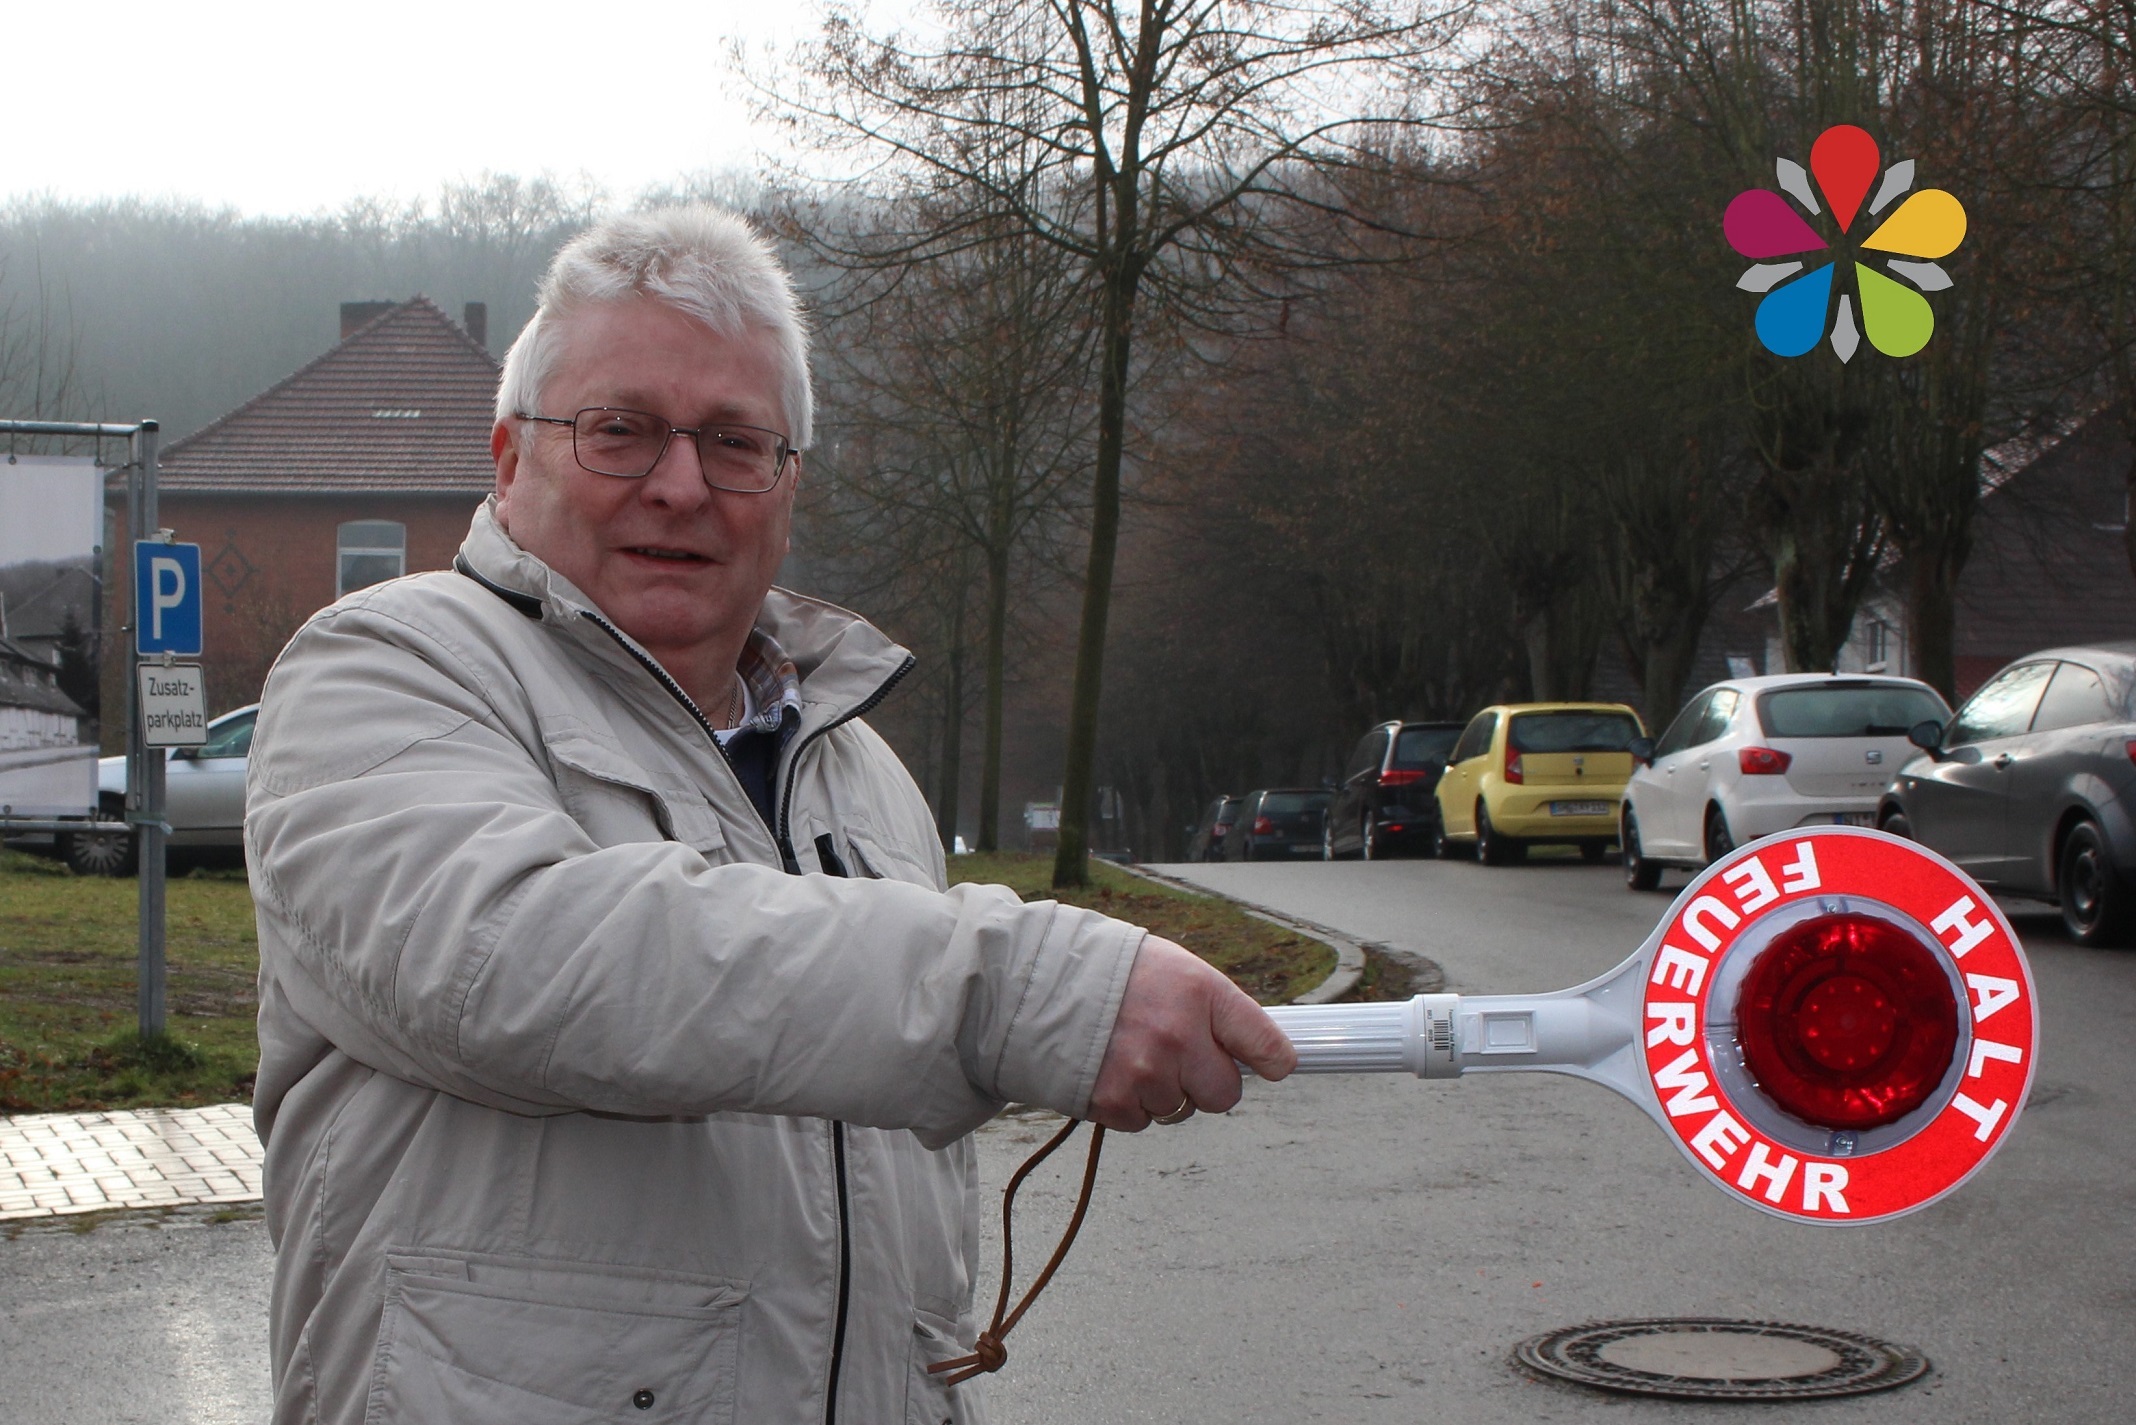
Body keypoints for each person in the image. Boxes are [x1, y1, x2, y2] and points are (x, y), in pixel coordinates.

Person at [246, 205, 1296, 1425]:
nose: (681, 485)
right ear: (507, 456)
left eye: (738, 444)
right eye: (620, 431)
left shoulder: (862, 775)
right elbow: (510, 960)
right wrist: (1017, 991)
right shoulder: (382, 668)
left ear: (787, 486)